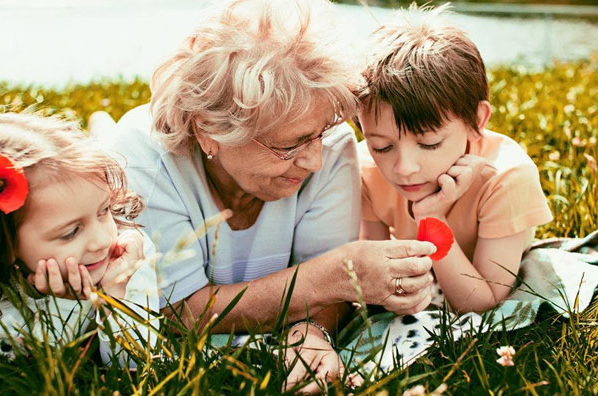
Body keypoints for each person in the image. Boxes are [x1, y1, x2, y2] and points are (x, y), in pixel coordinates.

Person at [87, 0, 437, 391]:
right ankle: (98, 129)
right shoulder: (146, 161)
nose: (316, 161)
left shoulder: (332, 143)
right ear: (208, 131)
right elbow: (171, 311)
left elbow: (332, 296)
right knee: (102, 153)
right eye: (290, 145)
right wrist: (338, 272)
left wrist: (309, 332)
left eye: (320, 132)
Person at [355, 4, 553, 314]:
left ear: (477, 120)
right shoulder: (364, 169)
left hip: (479, 283)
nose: (404, 169)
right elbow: (375, 284)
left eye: (429, 143)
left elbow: (482, 304)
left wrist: (431, 218)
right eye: (381, 147)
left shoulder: (506, 178)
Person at [0, 111, 159, 366]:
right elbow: (31, 368)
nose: (102, 240)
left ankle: (103, 127)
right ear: (5, 245)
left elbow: (136, 365)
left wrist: (116, 296)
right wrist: (63, 304)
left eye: (103, 210)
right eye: (71, 232)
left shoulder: (124, 255)